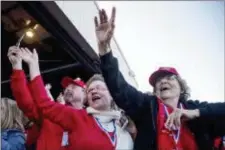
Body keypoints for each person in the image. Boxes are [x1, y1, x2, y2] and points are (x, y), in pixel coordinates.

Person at [94, 7, 225, 150]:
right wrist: (105, 49)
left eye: (170, 78)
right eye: (158, 81)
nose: (163, 81)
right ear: (155, 91)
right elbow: (119, 88)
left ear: (181, 87)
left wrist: (197, 113)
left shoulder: (195, 109)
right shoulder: (147, 107)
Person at [17, 47, 134, 150]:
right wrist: (33, 66)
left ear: (112, 95)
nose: (94, 91)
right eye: (90, 90)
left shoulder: (123, 127)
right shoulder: (77, 117)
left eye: (99, 88)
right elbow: (42, 104)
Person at [8, 46, 86, 150]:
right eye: (67, 86)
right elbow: (27, 104)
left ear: (85, 93)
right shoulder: (53, 112)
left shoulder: (90, 120)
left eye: (73, 86)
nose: (68, 88)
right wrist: (17, 66)